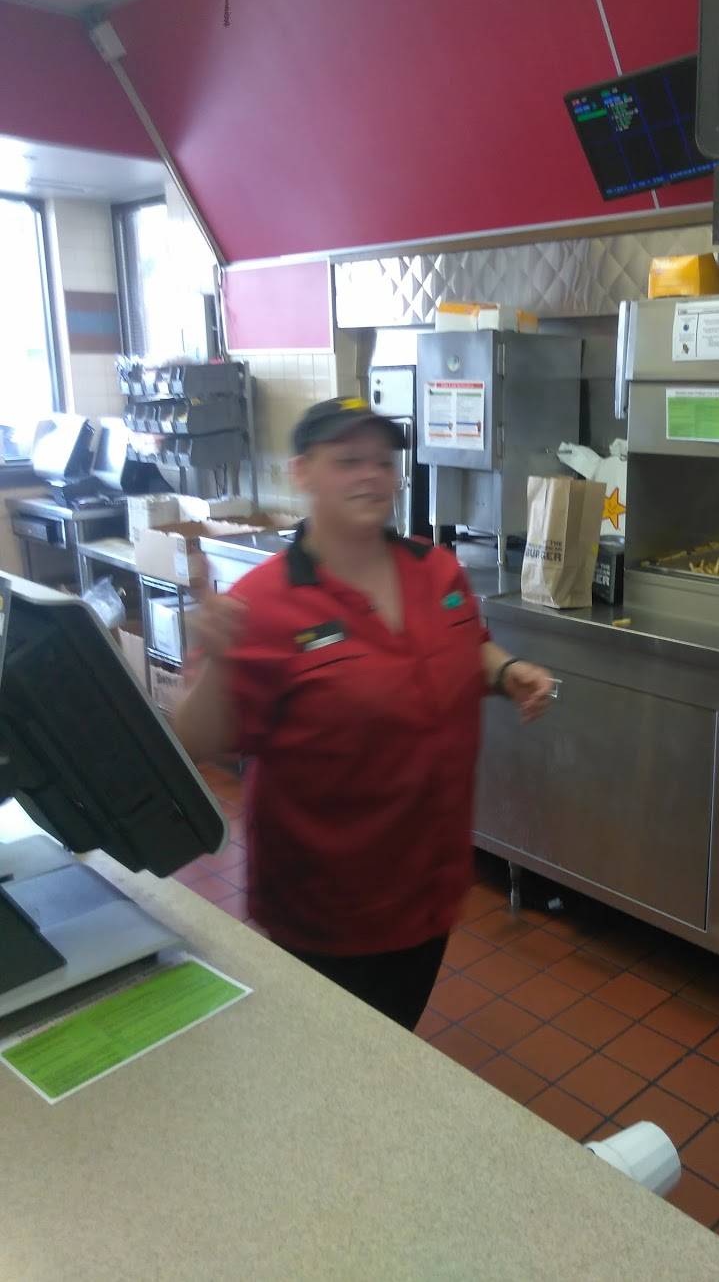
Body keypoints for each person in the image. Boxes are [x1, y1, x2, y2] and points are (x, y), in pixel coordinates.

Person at [174, 397, 553, 1030]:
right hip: (328, 909)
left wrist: (507, 671)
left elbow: (468, 644)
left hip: (429, 886)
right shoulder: (264, 603)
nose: (372, 475)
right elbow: (195, 740)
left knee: (396, 1032)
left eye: (382, 461)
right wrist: (219, 661)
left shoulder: (436, 570)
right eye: (348, 460)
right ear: (302, 472)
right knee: (331, 1062)